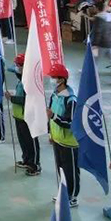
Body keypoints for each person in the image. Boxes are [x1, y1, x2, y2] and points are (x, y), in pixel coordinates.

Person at [47, 63, 80, 207]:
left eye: (54, 77)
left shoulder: (71, 99)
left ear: (62, 79)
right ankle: (64, 193)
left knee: (70, 171)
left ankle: (72, 197)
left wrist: (53, 116)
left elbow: (70, 122)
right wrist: (50, 133)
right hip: (57, 139)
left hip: (69, 142)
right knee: (61, 168)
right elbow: (50, 115)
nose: (52, 79)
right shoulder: (55, 94)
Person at [6, 54, 39, 176]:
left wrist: (12, 98)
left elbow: (27, 100)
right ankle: (26, 160)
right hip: (19, 116)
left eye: (19, 65)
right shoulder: (22, 78)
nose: (17, 67)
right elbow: (11, 68)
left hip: (28, 116)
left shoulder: (30, 82)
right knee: (23, 141)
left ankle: (35, 165)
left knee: (31, 142)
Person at [90, 3, 111, 86]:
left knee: (94, 60)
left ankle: (91, 78)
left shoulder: (98, 18)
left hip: (100, 45)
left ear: (97, 8)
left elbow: (97, 31)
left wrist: (94, 44)